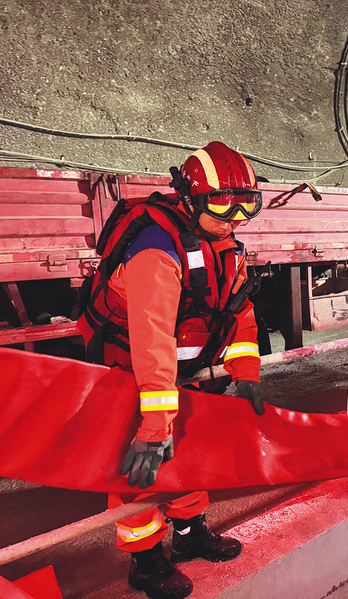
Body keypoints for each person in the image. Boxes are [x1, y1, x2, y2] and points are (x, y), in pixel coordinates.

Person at [77, 141, 266, 599]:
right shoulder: (155, 250)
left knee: (189, 453)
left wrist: (246, 372)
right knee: (139, 470)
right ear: (190, 198)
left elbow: (238, 310)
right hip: (132, 371)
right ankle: (144, 562)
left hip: (180, 372)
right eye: (223, 203)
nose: (235, 217)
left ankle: (189, 535)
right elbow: (153, 339)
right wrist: (154, 425)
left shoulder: (223, 243)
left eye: (247, 204)